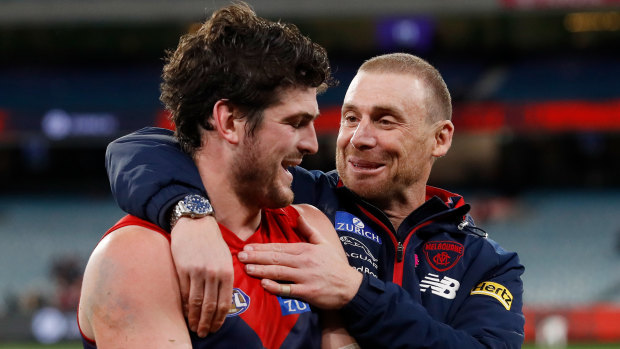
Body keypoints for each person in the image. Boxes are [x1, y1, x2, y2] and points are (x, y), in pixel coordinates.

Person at [106, 53, 526, 348]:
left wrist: (355, 292)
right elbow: (138, 150)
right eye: (349, 117)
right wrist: (189, 213)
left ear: (441, 138)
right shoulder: (298, 199)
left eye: (384, 120)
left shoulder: (486, 262)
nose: (358, 138)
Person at [78, 3, 358, 348]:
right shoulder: (138, 256)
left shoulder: (310, 228)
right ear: (228, 122)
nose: (313, 144)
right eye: (295, 123)